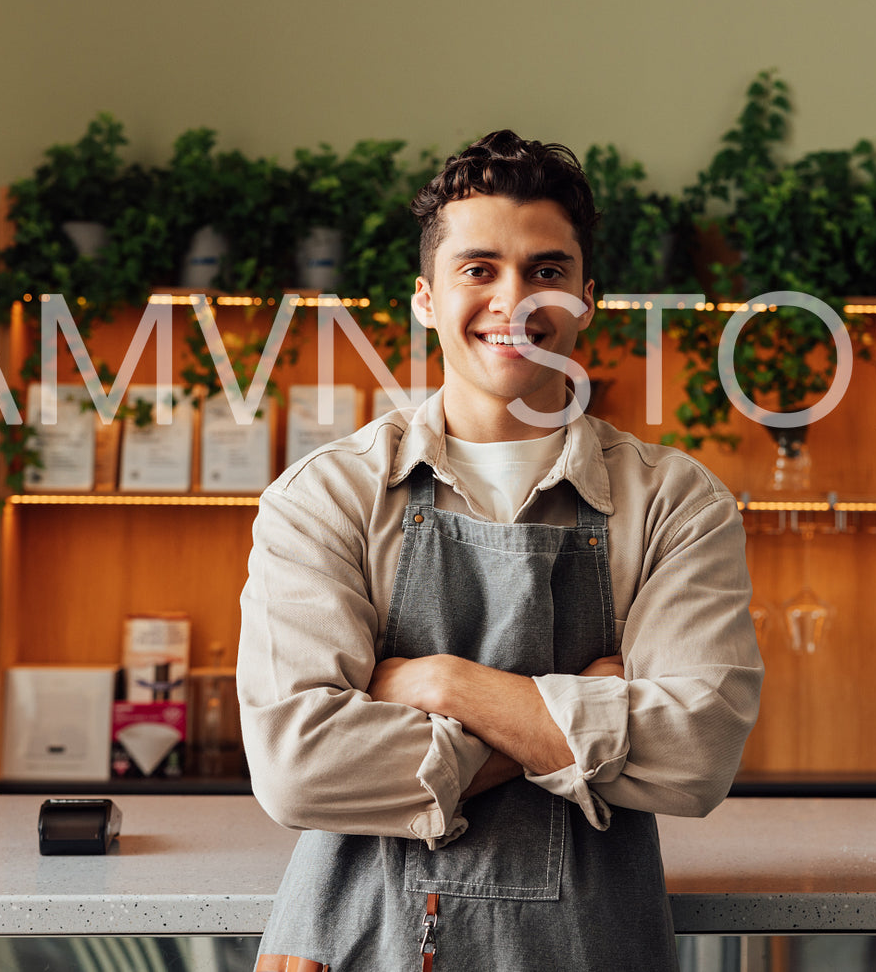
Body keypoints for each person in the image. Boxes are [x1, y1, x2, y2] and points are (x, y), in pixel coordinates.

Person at [238, 130, 763, 972]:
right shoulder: (326, 496)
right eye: (478, 269)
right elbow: (299, 768)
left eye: (546, 271)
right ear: (424, 297)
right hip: (349, 944)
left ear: (586, 298)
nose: (514, 300)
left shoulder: (674, 503)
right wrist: (573, 713)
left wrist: (445, 684)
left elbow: (693, 756)